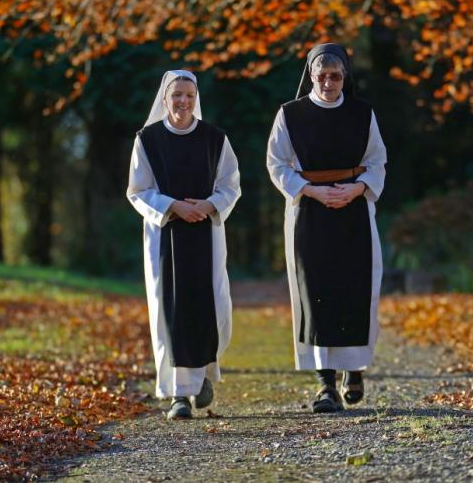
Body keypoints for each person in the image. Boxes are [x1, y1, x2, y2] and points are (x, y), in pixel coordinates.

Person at [266, 43, 387, 413]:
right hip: (309, 212)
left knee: (354, 289)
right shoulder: (290, 114)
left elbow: (377, 161)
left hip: (354, 209)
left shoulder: (363, 113)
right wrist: (312, 191)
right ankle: (325, 386)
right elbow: (276, 164)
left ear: (344, 77)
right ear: (311, 76)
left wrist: (357, 189)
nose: (329, 83)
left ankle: (355, 370)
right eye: (322, 76)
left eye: (336, 76)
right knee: (314, 293)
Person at [126, 70, 241, 419]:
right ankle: (179, 394)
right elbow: (137, 191)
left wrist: (207, 206)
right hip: (166, 234)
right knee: (170, 310)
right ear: (165, 99)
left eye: (189, 95)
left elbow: (230, 185)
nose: (183, 101)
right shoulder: (147, 140)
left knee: (211, 303)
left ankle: (204, 372)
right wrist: (173, 206)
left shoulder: (215, 139)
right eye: (177, 95)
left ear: (196, 98)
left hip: (207, 232)